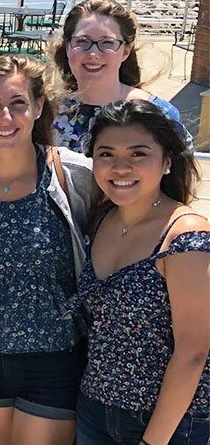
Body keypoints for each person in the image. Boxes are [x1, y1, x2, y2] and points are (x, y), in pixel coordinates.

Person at [0, 55, 96, 445]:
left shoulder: (75, 175)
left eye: (18, 103)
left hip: (54, 360)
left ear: (38, 107)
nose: (5, 116)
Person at [76, 99, 210, 445]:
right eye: (106, 154)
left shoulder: (185, 235)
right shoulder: (103, 219)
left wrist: (154, 441)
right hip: (95, 411)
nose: (120, 167)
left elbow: (193, 352)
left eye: (138, 154)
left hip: (168, 423)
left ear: (166, 161)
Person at [52, 0, 192, 153]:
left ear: (126, 50)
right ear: (68, 46)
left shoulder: (158, 115)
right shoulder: (47, 113)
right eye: (82, 41)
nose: (93, 53)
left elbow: (182, 175)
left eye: (107, 43)